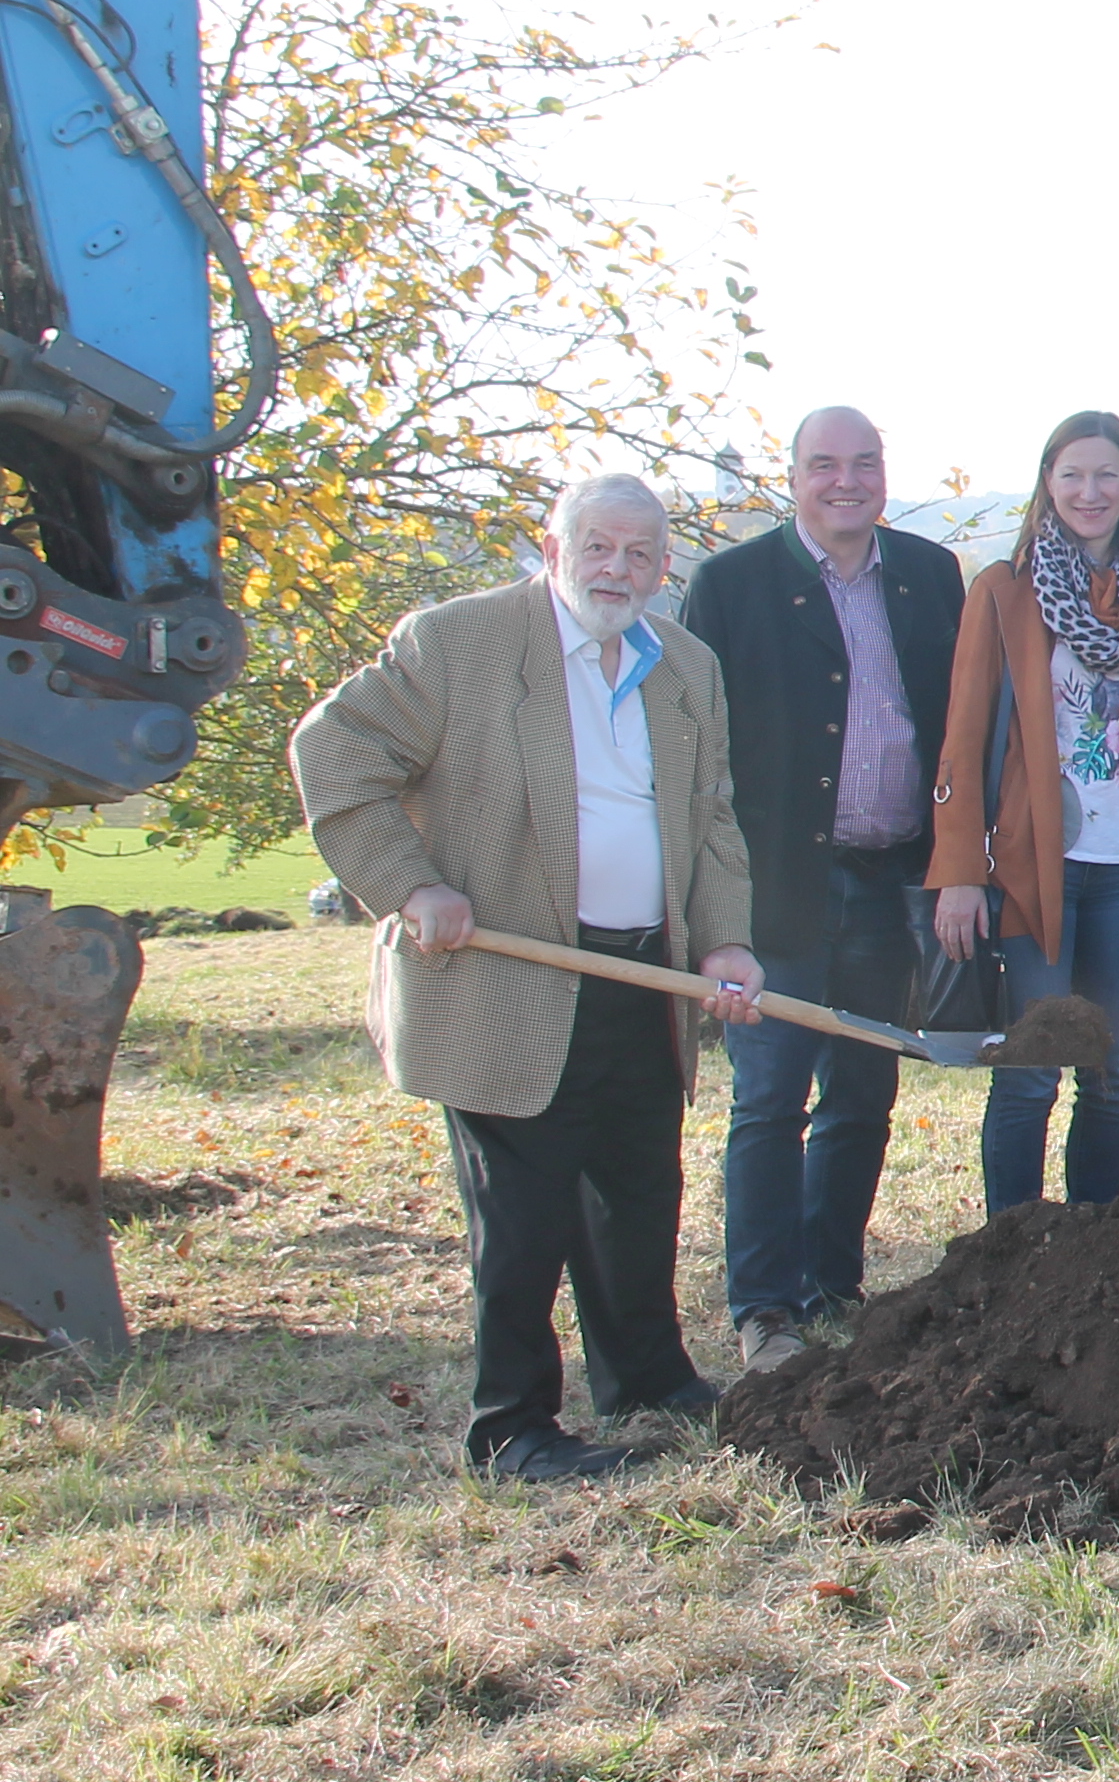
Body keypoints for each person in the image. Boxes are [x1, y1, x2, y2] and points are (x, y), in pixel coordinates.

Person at [292, 472, 765, 1484]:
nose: (619, 568)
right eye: (598, 545)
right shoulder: (456, 643)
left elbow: (713, 816)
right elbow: (333, 754)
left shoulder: (685, 664)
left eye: (642, 552)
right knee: (524, 1207)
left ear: (664, 565)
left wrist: (724, 944)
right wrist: (410, 885)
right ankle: (512, 1428)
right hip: (506, 976)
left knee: (638, 1184)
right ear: (553, 548)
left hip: (644, 973)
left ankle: (645, 1375)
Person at [678, 406, 963, 1374]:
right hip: (782, 883)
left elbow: (958, 725)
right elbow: (696, 747)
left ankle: (832, 1284)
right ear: (792, 476)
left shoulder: (929, 576)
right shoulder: (731, 585)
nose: (848, 480)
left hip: (892, 877)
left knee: (864, 1087)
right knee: (770, 1095)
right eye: (825, 464)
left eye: (866, 462)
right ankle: (765, 1305)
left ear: (886, 473)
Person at [929, 412, 1119, 1209]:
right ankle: (1010, 1253)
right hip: (1034, 872)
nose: (1090, 493)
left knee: (1114, 1072)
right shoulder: (1003, 592)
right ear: (1047, 485)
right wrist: (957, 873)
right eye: (1073, 475)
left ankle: (1092, 1248)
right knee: (1031, 1070)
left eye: (1107, 476)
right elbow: (962, 737)